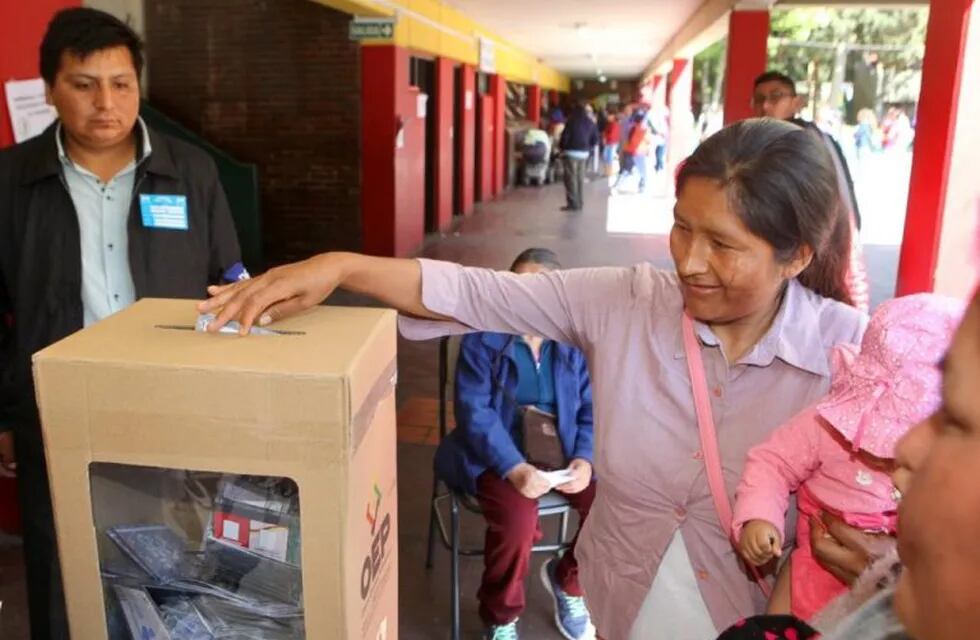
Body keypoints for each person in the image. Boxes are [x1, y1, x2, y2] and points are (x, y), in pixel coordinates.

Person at [199, 119, 867, 640]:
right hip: (626, 603)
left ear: (796, 256)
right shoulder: (627, 301)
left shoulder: (853, 360)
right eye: (681, 228)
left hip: (757, 618)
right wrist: (340, 266)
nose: (689, 261)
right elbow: (478, 293)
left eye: (723, 245)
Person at [0, 8, 243, 638]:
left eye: (121, 83)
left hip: (174, 402)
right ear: (51, 88)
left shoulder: (191, 173)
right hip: (55, 407)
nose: (105, 102)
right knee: (61, 562)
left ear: (139, 85)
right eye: (84, 84)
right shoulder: (9, 182)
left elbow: (230, 285)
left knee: (173, 558)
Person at [719, 272, 980, 640]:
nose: (907, 450)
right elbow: (772, 462)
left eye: (953, 421)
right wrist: (759, 517)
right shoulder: (825, 425)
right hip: (808, 583)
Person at [434, 248, 597, 640]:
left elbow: (592, 408)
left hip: (562, 450)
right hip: (496, 454)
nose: (525, 299)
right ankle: (501, 616)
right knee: (519, 523)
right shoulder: (483, 338)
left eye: (538, 290)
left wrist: (585, 458)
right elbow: (474, 412)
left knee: (612, 510)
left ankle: (568, 580)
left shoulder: (574, 342)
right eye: (516, 287)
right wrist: (514, 467)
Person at [752, 71, 869, 313]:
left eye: (776, 96)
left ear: (796, 102)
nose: (765, 105)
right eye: (759, 98)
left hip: (813, 246)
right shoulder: (765, 142)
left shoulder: (804, 141)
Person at [558, 104, 599, 211]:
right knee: (580, 178)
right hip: (584, 154)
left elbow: (564, 137)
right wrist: (588, 148)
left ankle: (572, 204)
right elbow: (595, 139)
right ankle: (579, 202)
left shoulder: (571, 122)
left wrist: (562, 148)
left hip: (571, 153)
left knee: (571, 178)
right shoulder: (590, 123)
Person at [602, 109, 621, 177]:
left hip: (612, 143)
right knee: (606, 157)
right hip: (609, 143)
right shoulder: (610, 124)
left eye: (609, 116)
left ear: (613, 116)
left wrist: (605, 137)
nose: (607, 117)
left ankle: (609, 172)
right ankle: (607, 172)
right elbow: (605, 132)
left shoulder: (615, 124)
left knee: (609, 157)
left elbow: (612, 135)